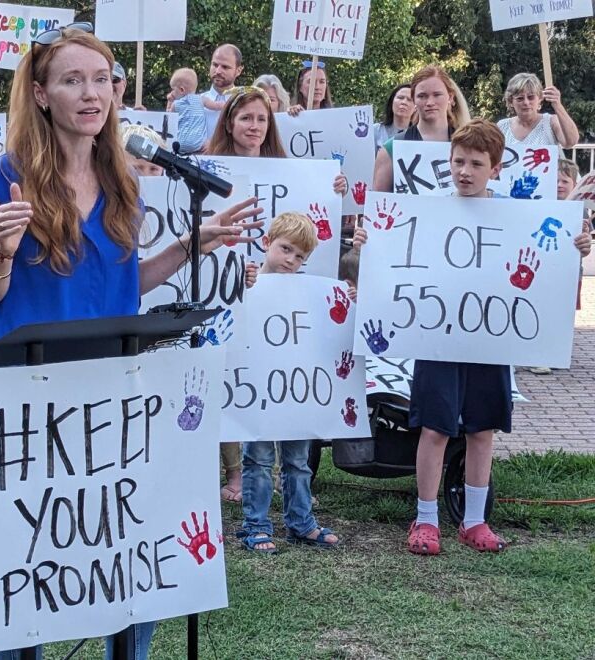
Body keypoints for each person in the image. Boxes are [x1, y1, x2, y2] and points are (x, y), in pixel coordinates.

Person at [0, 24, 262, 659]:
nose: (91, 93)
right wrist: (3, 254)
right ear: (42, 94)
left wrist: (193, 244)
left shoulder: (122, 174)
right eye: (73, 80)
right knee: (31, 553)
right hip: (28, 394)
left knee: (127, 549)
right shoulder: (7, 178)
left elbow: (125, 286)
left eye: (102, 79)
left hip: (113, 389)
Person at [354, 119, 592, 554]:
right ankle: (426, 520)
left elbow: (551, 260)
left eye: (476, 163)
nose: (465, 171)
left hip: (491, 339)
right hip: (437, 338)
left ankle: (475, 520)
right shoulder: (426, 210)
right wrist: (369, 240)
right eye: (458, 161)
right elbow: (386, 256)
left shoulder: (517, 217)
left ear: (495, 169)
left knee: (483, 431)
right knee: (434, 429)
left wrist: (577, 248)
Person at [205, 86, 348, 501]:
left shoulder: (291, 171)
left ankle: (288, 477)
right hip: (227, 283)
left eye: (262, 119)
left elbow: (310, 221)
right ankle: (235, 473)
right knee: (232, 374)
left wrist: (332, 188)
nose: (254, 126)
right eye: (246, 117)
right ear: (229, 121)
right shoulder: (207, 168)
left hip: (284, 302)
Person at [238, 211, 340, 553]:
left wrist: (347, 302)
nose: (291, 260)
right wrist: (242, 285)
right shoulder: (247, 282)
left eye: (300, 256)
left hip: (296, 392)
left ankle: (301, 522)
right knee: (259, 459)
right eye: (285, 249)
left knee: (298, 461)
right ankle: (256, 525)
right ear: (266, 243)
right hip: (258, 391)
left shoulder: (307, 292)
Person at [372, 65, 471, 193]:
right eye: (422, 96)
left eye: (437, 95)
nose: (430, 102)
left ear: (450, 97)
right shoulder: (391, 149)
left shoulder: (470, 145)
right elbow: (379, 203)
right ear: (414, 100)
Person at [497, 73, 579, 149]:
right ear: (511, 102)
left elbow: (570, 142)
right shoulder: (502, 127)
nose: (526, 102)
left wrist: (557, 105)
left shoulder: (550, 122)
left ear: (540, 98)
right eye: (520, 98)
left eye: (531, 97)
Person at [166, 67, 222, 153]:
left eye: (173, 89)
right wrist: (229, 103)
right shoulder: (201, 99)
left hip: (180, 143)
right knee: (207, 144)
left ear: (181, 90)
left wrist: (169, 101)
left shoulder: (176, 105)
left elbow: (168, 116)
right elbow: (216, 106)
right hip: (199, 143)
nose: (172, 93)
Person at [202, 44, 244, 138]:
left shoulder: (245, 103)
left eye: (225, 67)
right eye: (215, 65)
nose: (218, 71)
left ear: (238, 71)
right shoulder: (195, 101)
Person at [373, 83, 413, 152]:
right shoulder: (375, 130)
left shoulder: (418, 135)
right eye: (400, 98)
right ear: (392, 101)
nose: (404, 102)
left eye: (409, 100)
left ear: (416, 107)